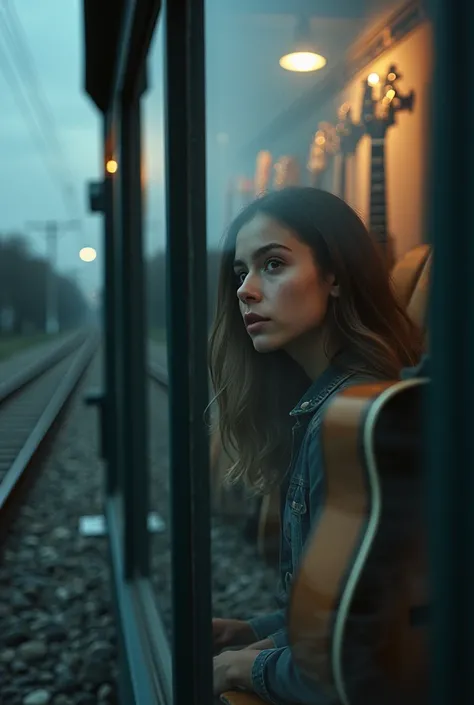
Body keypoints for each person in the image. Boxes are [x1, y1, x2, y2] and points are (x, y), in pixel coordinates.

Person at [208, 187, 423, 704]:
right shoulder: (327, 405)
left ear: (334, 277)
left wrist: (252, 670)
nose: (245, 290)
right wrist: (258, 631)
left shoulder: (352, 420)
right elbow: (357, 604)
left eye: (273, 264)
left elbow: (358, 665)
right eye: (241, 273)